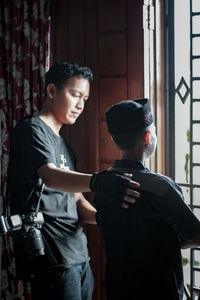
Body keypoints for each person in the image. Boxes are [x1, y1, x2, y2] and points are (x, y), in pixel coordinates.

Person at [7, 61, 140, 300]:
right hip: (51, 258)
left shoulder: (65, 147)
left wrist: (105, 217)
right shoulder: (32, 129)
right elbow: (50, 176)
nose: (80, 105)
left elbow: (77, 202)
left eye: (85, 99)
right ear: (51, 91)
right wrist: (100, 182)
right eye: (75, 94)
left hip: (78, 255)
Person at [94, 98, 200, 300]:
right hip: (159, 290)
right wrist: (167, 244)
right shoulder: (161, 187)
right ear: (148, 136)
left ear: (115, 139)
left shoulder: (104, 184)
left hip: (119, 289)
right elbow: (196, 235)